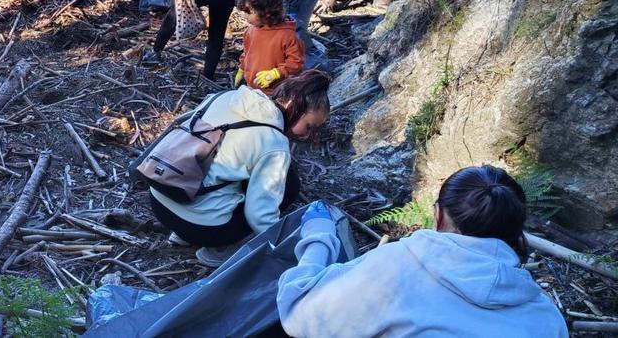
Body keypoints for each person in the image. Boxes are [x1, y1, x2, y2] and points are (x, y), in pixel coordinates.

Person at [277, 166, 568, 337]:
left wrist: (319, 237)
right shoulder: (547, 318)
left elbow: (300, 314)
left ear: (438, 215)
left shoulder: (392, 268)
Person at [148, 70, 330, 267]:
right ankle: (217, 250)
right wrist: (283, 244)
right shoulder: (274, 143)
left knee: (228, 167)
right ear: (293, 106)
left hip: (160, 196)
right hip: (202, 227)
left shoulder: (227, 96)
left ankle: (182, 234)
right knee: (290, 184)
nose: (307, 135)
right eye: (309, 126)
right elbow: (259, 215)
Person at [234, 0, 304, 92]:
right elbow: (247, 53)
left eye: (249, 12)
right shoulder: (250, 31)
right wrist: (242, 69)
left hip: (276, 92)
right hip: (252, 88)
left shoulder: (288, 35)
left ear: (267, 13)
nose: (244, 15)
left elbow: (296, 62)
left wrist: (276, 73)